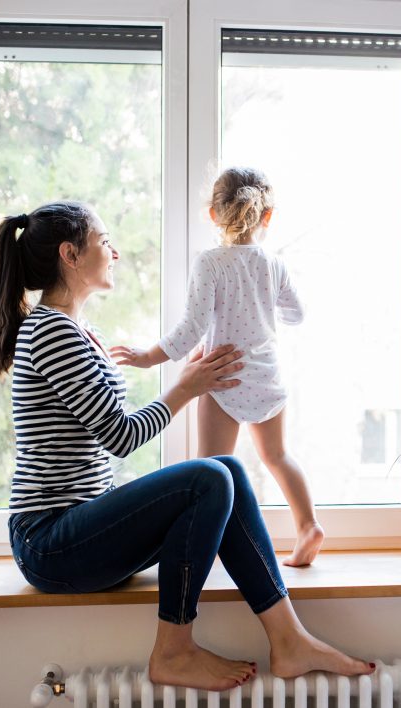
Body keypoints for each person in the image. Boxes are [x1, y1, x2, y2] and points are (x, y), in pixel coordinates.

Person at [0, 200, 373, 691]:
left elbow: (104, 425)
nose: (115, 252)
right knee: (208, 477)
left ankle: (289, 639)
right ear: (70, 254)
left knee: (225, 469)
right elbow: (120, 435)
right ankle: (173, 649)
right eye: (104, 241)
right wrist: (186, 387)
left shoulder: (77, 331)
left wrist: (186, 379)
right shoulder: (52, 332)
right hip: (49, 541)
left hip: (79, 527)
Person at [117, 168, 323, 567]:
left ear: (212, 214)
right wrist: (264, 304)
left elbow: (191, 328)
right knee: (278, 456)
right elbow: (297, 314)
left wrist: (147, 357)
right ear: (267, 217)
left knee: (208, 471)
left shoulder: (209, 264)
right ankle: (308, 525)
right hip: (267, 376)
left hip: (221, 377)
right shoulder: (273, 264)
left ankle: (205, 549)